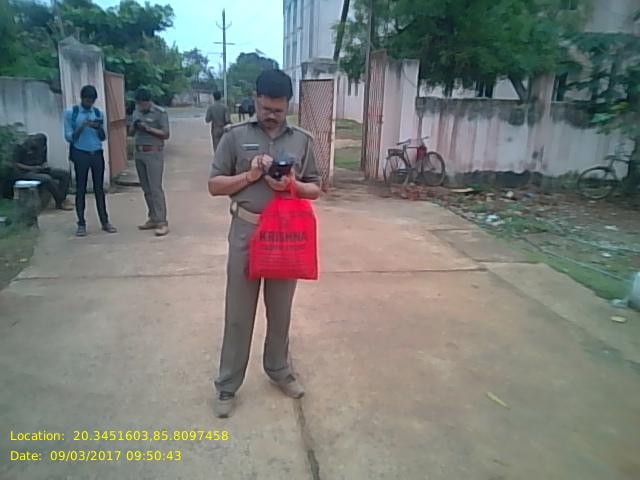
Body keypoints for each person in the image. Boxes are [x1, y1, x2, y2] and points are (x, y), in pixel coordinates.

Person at [208, 69, 321, 418]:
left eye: (278, 109)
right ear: (255, 99)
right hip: (247, 232)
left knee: (280, 311)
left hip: (285, 236)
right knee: (238, 314)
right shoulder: (235, 137)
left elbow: (316, 188)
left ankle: (279, 370)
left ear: (289, 104)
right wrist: (251, 175)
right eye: (265, 107)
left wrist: (291, 185)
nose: (271, 115)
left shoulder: (301, 140)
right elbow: (214, 185)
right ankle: (227, 385)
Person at [64, 85, 117, 237]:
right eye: (87, 101)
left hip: (96, 153)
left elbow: (103, 137)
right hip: (80, 153)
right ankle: (81, 223)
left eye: (92, 101)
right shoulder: (71, 113)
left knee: (99, 189)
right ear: (82, 99)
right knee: (80, 189)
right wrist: (82, 126)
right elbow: (69, 137)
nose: (89, 104)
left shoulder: (98, 113)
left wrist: (96, 127)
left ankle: (105, 221)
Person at [129, 88, 171, 237]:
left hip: (154, 152)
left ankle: (162, 222)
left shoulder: (160, 113)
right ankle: (153, 217)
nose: (141, 106)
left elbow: (166, 134)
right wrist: (134, 126)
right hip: (139, 152)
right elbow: (130, 133)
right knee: (146, 188)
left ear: (148, 101)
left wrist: (148, 129)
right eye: (138, 104)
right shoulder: (136, 112)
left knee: (155, 188)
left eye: (143, 104)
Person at [11, 134, 73, 211]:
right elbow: (16, 164)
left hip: (39, 169)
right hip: (25, 172)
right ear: (32, 141)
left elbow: (43, 161)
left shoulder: (42, 146)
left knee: (64, 174)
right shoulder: (20, 147)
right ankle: (60, 202)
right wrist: (32, 168)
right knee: (47, 179)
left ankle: (62, 198)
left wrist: (44, 166)